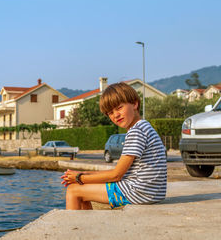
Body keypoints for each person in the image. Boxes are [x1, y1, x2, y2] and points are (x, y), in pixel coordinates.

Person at [61, 82, 167, 210]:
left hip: (139, 192)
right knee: (81, 188)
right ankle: (84, 227)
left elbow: (116, 175)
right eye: (110, 112)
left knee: (73, 190)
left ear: (134, 104)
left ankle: (75, 229)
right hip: (150, 192)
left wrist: (79, 178)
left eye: (119, 108)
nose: (115, 115)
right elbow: (119, 172)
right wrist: (84, 174)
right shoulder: (143, 126)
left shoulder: (136, 131)